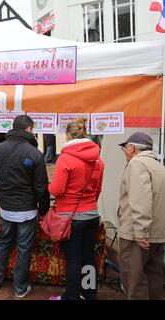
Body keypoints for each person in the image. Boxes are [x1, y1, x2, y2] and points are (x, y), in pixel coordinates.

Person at [0, 115, 50, 298]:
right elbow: (41, 188)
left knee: (4, 242)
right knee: (23, 248)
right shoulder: (34, 154)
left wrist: (2, 197)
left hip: (7, 208)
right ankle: (20, 287)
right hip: (27, 211)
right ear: (29, 129)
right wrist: (43, 209)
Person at [48, 118, 104, 301]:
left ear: (69, 135)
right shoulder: (98, 161)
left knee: (73, 259)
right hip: (91, 215)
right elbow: (97, 190)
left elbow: (57, 190)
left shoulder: (65, 158)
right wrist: (88, 205)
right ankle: (89, 294)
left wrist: (48, 186)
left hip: (70, 217)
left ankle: (71, 296)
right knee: (88, 257)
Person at [117, 132, 165, 300]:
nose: (124, 151)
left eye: (125, 147)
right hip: (158, 234)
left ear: (132, 148)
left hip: (137, 235)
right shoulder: (158, 165)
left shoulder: (137, 164)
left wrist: (141, 232)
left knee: (134, 281)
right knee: (155, 280)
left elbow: (141, 200)